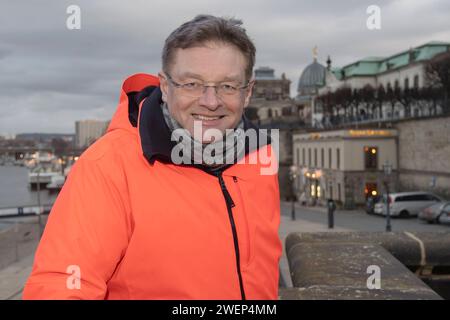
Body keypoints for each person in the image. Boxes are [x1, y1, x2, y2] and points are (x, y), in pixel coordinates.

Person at [23, 14, 281, 300]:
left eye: (228, 86)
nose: (211, 101)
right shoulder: (108, 165)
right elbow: (60, 285)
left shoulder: (259, 154)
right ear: (166, 86)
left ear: (248, 93)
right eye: (192, 84)